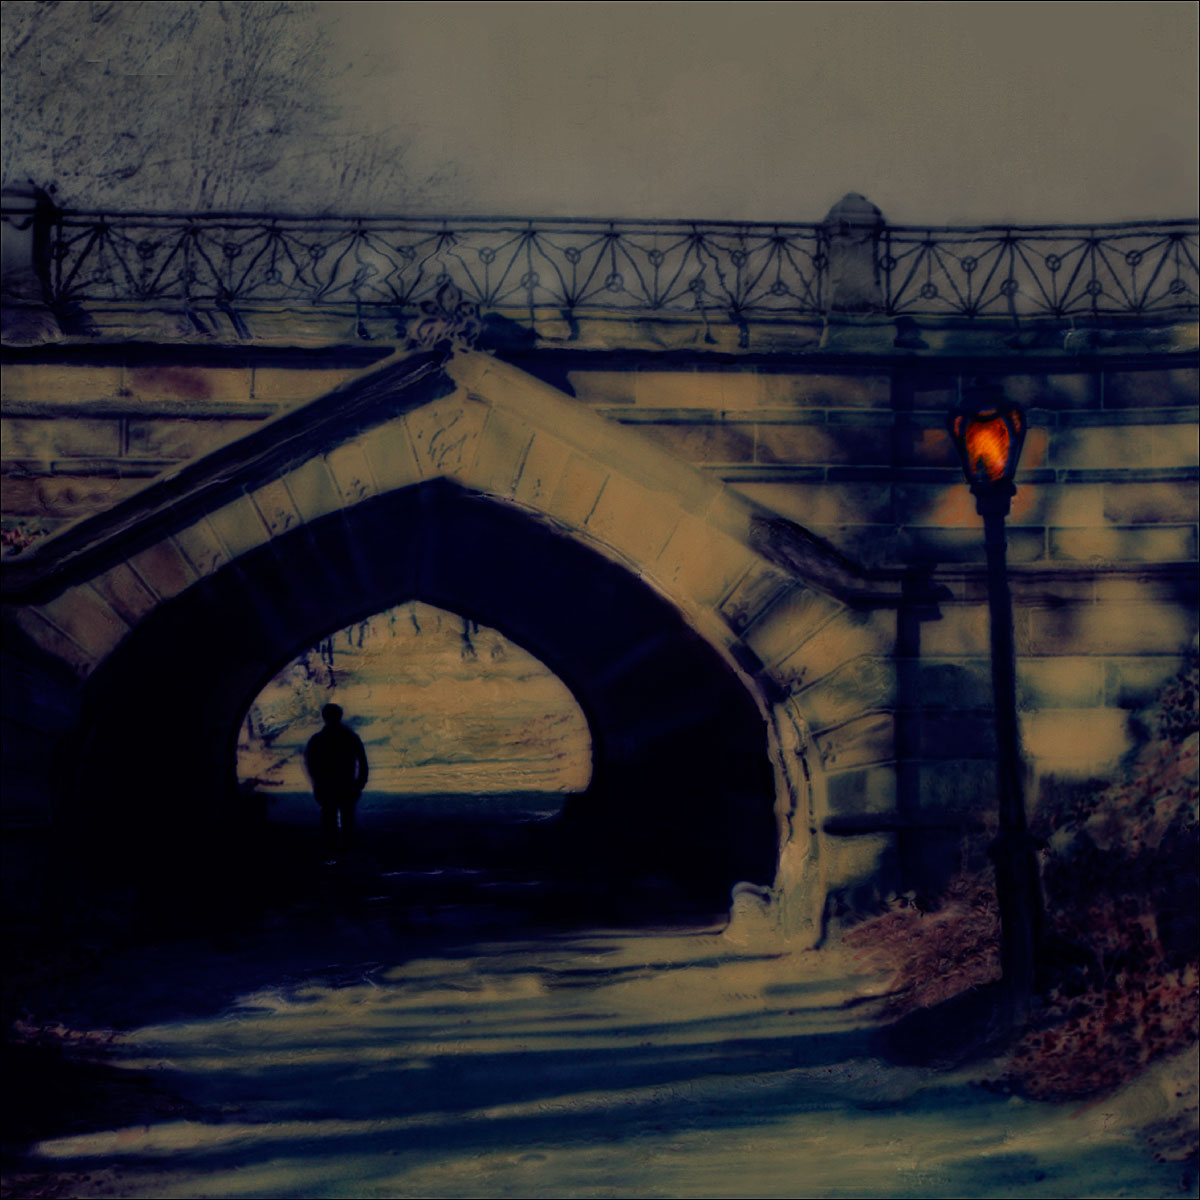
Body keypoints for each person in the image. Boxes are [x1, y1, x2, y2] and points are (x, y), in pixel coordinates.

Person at [304, 703, 368, 856]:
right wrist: (360, 783)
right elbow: (362, 761)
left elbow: (311, 763)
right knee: (347, 823)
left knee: (329, 823)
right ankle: (344, 853)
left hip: (328, 788)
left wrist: (317, 784)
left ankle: (331, 853)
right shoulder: (350, 737)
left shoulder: (318, 739)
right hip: (347, 787)